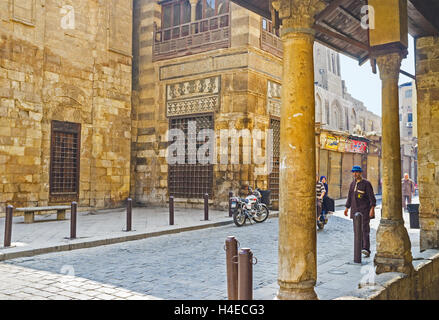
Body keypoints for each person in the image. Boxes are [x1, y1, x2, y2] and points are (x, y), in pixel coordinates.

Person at [344, 165, 376, 257]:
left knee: (365, 230)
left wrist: (372, 209)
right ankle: (359, 248)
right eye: (353, 172)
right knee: (357, 230)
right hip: (355, 211)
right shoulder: (352, 184)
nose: (355, 174)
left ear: (360, 173)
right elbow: (350, 197)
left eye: (357, 172)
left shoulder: (366, 183)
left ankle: (366, 249)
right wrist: (347, 208)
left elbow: (372, 198)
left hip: (365, 211)